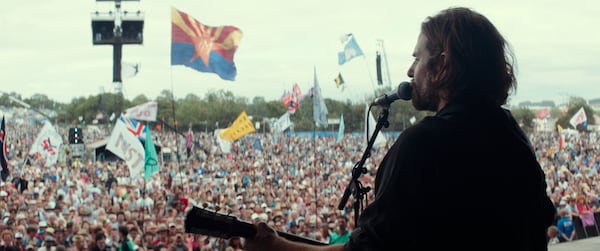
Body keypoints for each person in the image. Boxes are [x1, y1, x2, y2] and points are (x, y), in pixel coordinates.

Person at [244, 6, 555, 251]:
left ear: (442, 64)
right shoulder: (512, 134)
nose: (409, 70)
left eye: (417, 57)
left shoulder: (425, 143)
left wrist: (275, 245)